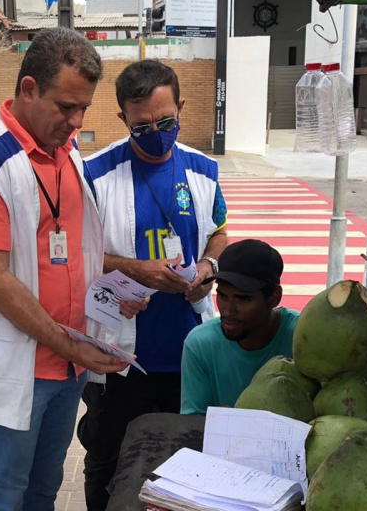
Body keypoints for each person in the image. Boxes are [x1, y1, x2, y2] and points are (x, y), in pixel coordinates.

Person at [0, 27, 130, 511]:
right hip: (20, 367)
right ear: (28, 89)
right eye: (65, 106)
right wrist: (72, 345)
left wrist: (114, 293)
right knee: (4, 493)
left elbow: (76, 254)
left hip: (68, 365)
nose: (76, 120)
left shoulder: (67, 155)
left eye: (84, 108)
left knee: (44, 489)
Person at [79, 59, 228, 510]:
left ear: (181, 106)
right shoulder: (94, 176)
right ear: (123, 118)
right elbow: (70, 256)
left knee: (185, 466)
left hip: (190, 355)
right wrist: (133, 271)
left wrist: (208, 268)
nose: (156, 133)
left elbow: (219, 231)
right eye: (142, 126)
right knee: (108, 465)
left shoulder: (203, 169)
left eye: (166, 122)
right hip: (121, 358)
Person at [181, 239, 299, 415]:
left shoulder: (302, 338)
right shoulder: (200, 344)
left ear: (274, 297)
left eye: (243, 299)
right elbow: (193, 423)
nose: (228, 310)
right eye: (222, 296)